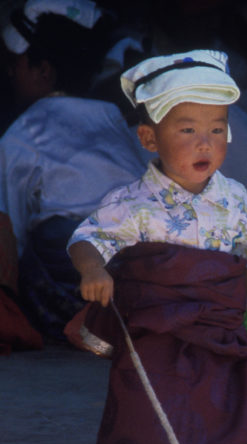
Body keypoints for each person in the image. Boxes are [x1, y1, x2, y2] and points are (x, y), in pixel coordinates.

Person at [67, 49, 247, 444]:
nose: (206, 142)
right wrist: (93, 269)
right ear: (149, 138)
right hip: (153, 345)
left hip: (220, 342)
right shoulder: (132, 202)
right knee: (148, 431)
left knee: (223, 432)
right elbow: (87, 239)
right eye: (188, 129)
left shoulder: (234, 197)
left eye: (217, 129)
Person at [0, 0, 149, 340]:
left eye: (15, 64)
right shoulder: (111, 117)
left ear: (43, 71)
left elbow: (12, 232)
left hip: (75, 269)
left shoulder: (23, 133)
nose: (9, 74)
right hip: (137, 262)